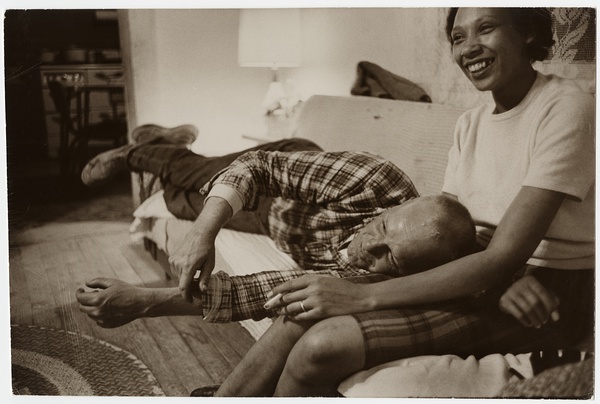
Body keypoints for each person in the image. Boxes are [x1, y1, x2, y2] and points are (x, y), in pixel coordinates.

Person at [176, 7, 591, 396]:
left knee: (321, 345)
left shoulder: (566, 107)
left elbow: (503, 255)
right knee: (301, 311)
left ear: (527, 32)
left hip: (548, 294)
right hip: (482, 275)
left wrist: (358, 296)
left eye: (486, 28)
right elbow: (452, 229)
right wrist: (496, 282)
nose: (469, 48)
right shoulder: (472, 122)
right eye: (458, 37)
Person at [77, 132, 477, 326]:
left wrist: (145, 301)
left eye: (390, 257)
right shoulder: (376, 180)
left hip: (268, 222)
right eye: (383, 226)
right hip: (282, 175)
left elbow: (258, 292)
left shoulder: (378, 282)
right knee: (191, 172)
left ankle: (163, 139)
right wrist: (203, 233)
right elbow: (257, 168)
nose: (370, 246)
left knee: (176, 200)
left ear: (407, 273)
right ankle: (133, 152)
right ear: (397, 206)